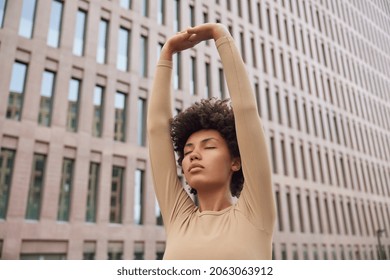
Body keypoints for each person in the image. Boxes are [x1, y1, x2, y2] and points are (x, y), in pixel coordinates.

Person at [147, 23, 276, 259]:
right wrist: (166, 54)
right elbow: (157, 131)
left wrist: (220, 35)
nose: (194, 155)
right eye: (187, 152)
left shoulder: (255, 213)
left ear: (235, 162)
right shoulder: (178, 218)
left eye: (209, 146)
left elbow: (246, 111)